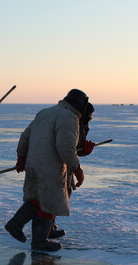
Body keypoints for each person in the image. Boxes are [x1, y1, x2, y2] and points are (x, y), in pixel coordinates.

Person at [5, 89, 89, 251]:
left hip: (33, 163)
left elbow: (25, 137)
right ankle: (38, 241)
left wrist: (21, 157)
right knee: (50, 202)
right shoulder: (69, 117)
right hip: (50, 167)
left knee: (37, 198)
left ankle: (16, 224)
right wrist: (77, 168)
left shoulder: (45, 112)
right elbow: (65, 148)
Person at [50, 102, 95, 238]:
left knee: (60, 195)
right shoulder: (71, 122)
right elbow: (66, 148)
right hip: (57, 165)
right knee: (55, 196)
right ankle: (45, 229)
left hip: (65, 165)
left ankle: (48, 226)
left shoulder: (80, 124)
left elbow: (74, 149)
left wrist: (85, 150)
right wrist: (77, 169)